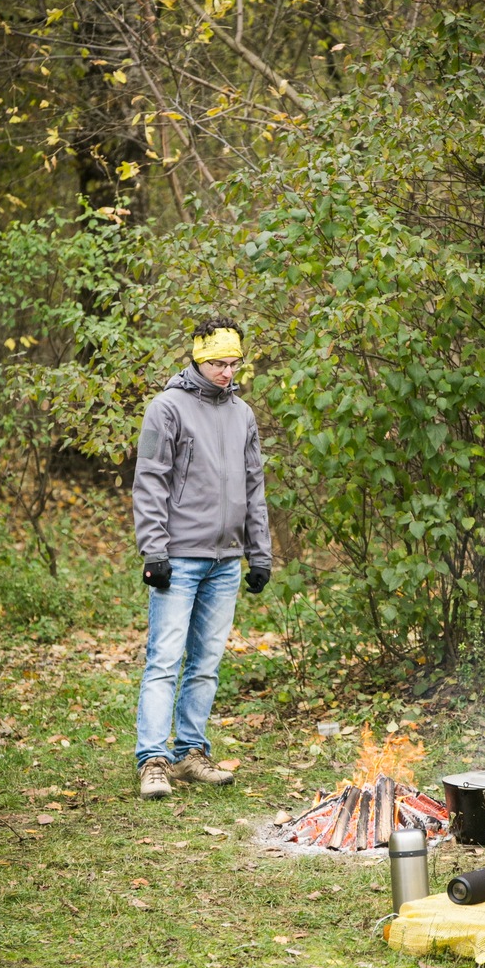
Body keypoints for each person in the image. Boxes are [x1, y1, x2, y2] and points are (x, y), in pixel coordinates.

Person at [132, 317, 272, 799]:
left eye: (234, 363)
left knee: (206, 664)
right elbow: (149, 481)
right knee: (164, 660)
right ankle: (152, 760)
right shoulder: (165, 408)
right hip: (179, 558)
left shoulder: (243, 414)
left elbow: (254, 486)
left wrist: (259, 554)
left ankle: (191, 753)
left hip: (226, 561)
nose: (227, 372)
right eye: (218, 363)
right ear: (198, 359)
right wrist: (154, 550)